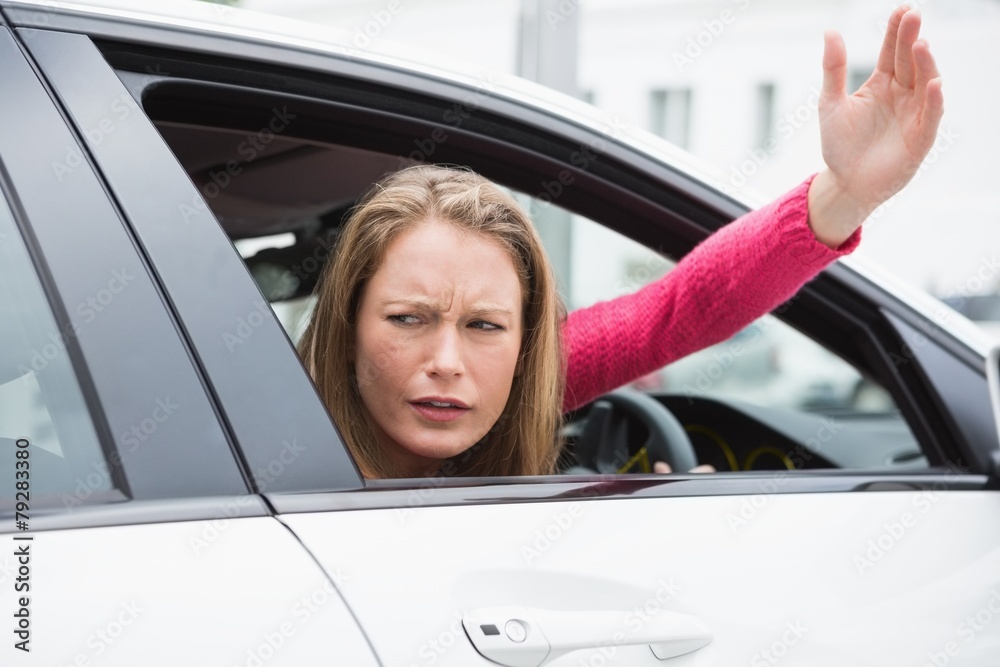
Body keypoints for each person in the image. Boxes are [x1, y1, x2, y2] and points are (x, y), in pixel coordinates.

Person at [299, 6, 943, 479]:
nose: (447, 359)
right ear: (346, 322)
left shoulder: (527, 379)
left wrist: (845, 194)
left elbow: (680, 310)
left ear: (528, 342)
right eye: (408, 318)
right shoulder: (252, 439)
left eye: (485, 325)